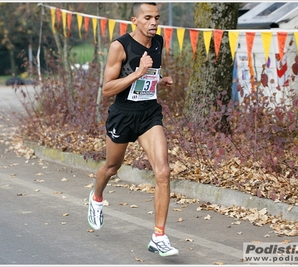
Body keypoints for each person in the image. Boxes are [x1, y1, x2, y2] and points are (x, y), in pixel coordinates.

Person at [87, 2, 178, 257]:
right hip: (123, 116)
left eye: (157, 18)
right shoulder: (120, 46)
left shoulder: (158, 43)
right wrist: (138, 73)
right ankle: (96, 197)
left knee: (163, 171)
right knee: (112, 167)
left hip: (149, 114)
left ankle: (158, 236)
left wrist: (160, 80)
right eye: (147, 18)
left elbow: (148, 81)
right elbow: (107, 89)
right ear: (134, 20)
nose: (153, 22)